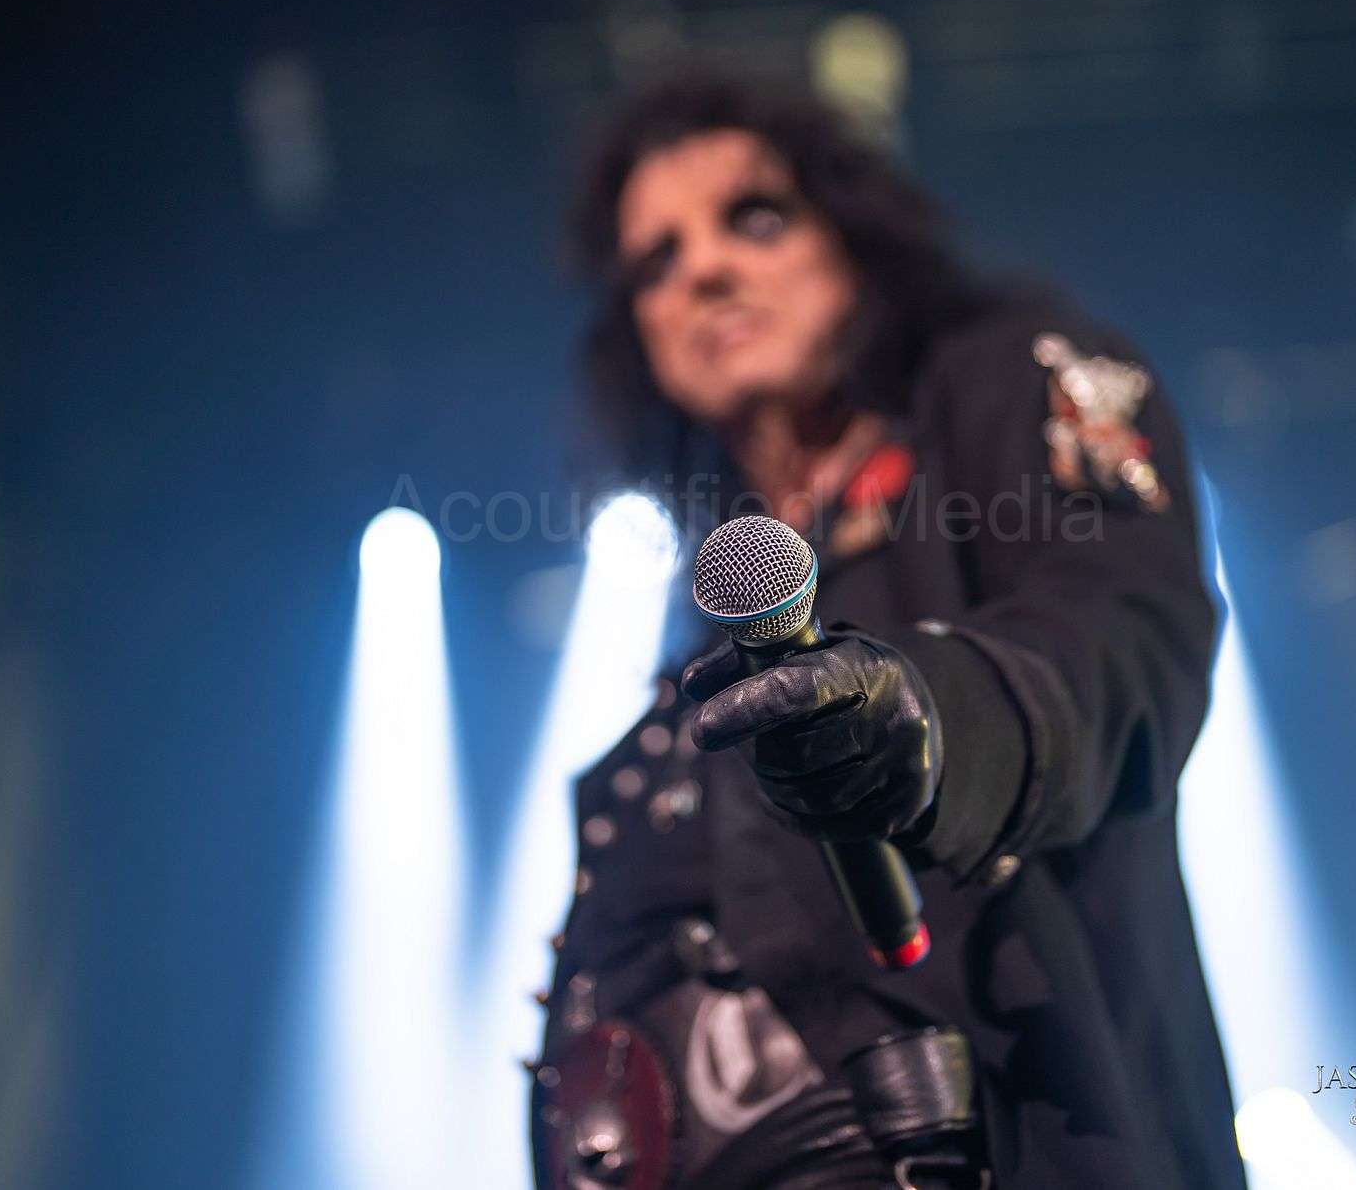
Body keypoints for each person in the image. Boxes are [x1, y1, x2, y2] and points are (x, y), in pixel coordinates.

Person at [529, 67, 1244, 1189]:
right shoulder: (720, 567)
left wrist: (934, 717)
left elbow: (1121, 634)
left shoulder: (1009, 376)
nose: (703, 270)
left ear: (851, 237)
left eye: (753, 218)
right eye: (655, 261)